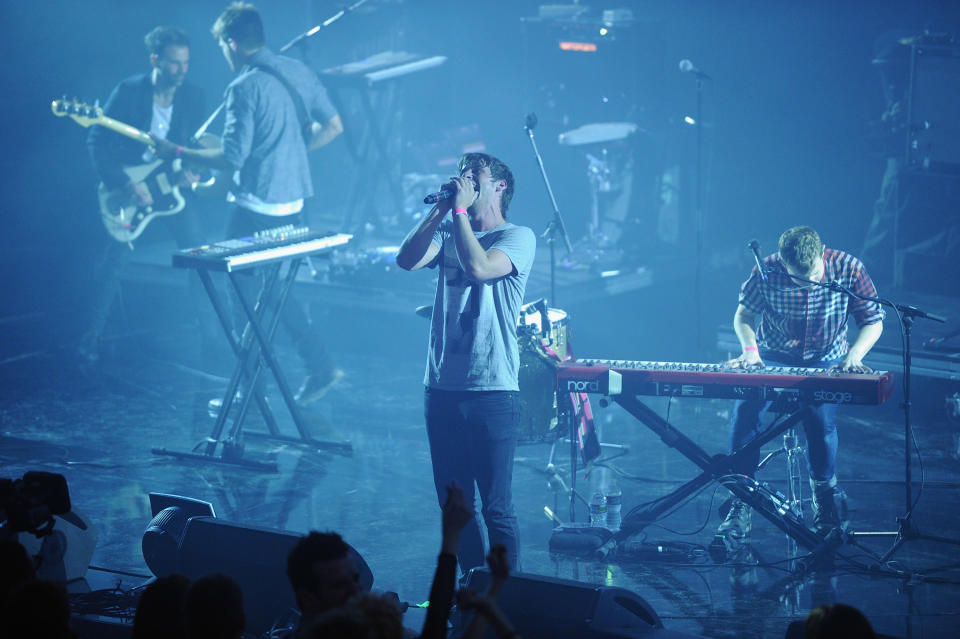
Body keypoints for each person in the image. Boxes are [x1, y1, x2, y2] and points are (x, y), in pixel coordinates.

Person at [154, 2, 345, 404]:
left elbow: (232, 158)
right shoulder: (298, 70)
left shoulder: (243, 87)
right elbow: (334, 125)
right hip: (293, 203)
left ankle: (252, 391)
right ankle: (320, 363)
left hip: (254, 207)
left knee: (243, 299)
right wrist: (292, 153)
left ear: (232, 43)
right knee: (275, 290)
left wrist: (178, 152)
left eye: (223, 47)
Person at [396, 152, 537, 572]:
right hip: (440, 387)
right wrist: (442, 209)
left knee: (497, 507)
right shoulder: (448, 229)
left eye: (475, 177)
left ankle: (506, 597)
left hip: (491, 389)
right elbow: (406, 259)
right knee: (455, 505)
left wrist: (457, 210)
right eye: (462, 176)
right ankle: (474, 589)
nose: (465, 182)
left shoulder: (518, 237)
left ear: (500, 187)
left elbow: (478, 267)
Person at [718, 226, 884, 547]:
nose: (804, 285)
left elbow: (872, 320)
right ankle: (742, 499)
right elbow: (744, 316)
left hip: (827, 359)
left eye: (812, 276)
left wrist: (854, 356)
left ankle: (824, 498)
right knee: (745, 413)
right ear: (782, 261)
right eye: (796, 278)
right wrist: (750, 352)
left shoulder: (849, 268)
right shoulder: (765, 270)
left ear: (823, 253)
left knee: (820, 421)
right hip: (773, 356)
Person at [81, 25, 207, 364]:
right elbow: (96, 141)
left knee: (203, 262)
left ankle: (215, 342)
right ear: (155, 60)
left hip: (172, 192)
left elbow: (200, 150)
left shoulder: (194, 97)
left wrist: (195, 172)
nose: (181, 71)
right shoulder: (129, 92)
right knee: (112, 264)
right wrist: (124, 184)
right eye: (174, 63)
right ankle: (87, 343)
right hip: (130, 191)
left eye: (186, 63)